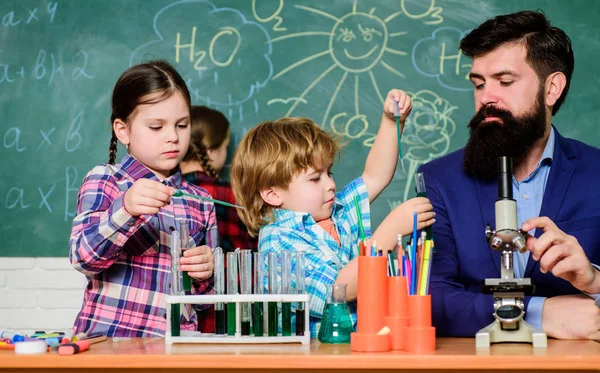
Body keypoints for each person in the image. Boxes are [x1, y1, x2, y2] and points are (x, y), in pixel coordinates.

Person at [418, 10, 600, 340]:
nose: (486, 97)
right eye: (478, 84)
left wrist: (595, 281)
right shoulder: (439, 181)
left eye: (504, 82)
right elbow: (431, 300)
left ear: (552, 88)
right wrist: (539, 314)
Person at [230, 89, 436, 336]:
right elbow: (338, 289)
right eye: (315, 178)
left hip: (359, 347)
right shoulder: (278, 241)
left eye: (329, 173)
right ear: (273, 194)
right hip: (316, 360)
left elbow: (375, 175)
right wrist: (387, 235)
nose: (330, 184)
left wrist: (392, 123)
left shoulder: (336, 212)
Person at [69, 60, 217, 337]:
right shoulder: (106, 180)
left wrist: (206, 273)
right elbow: (83, 259)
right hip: (110, 345)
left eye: (182, 125)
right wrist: (124, 211)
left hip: (174, 349)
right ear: (123, 130)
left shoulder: (201, 200)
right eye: (156, 127)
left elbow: (204, 301)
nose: (172, 137)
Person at [180, 105, 257, 253]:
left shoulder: (164, 191)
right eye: (225, 147)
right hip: (237, 274)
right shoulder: (235, 194)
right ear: (210, 152)